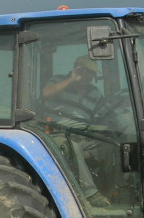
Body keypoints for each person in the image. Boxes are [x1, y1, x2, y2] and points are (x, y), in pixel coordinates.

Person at [41, 56, 110, 206]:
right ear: (76, 69)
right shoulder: (59, 81)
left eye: (91, 74)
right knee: (73, 147)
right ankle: (91, 194)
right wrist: (71, 80)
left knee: (112, 146)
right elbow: (46, 93)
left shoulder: (95, 93)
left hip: (84, 136)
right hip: (56, 135)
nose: (88, 76)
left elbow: (104, 116)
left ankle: (113, 189)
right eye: (85, 72)